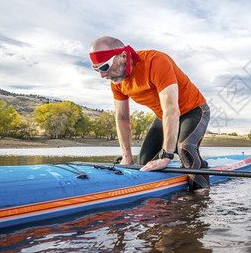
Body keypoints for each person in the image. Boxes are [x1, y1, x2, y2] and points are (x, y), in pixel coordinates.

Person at [89, 36, 210, 190]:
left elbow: (171, 110)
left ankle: (201, 194)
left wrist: (167, 156)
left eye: (105, 67)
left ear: (123, 57)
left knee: (185, 148)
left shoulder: (156, 61)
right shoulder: (117, 81)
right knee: (143, 162)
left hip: (193, 110)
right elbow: (122, 118)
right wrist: (126, 156)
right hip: (163, 116)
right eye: (96, 69)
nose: (102, 75)